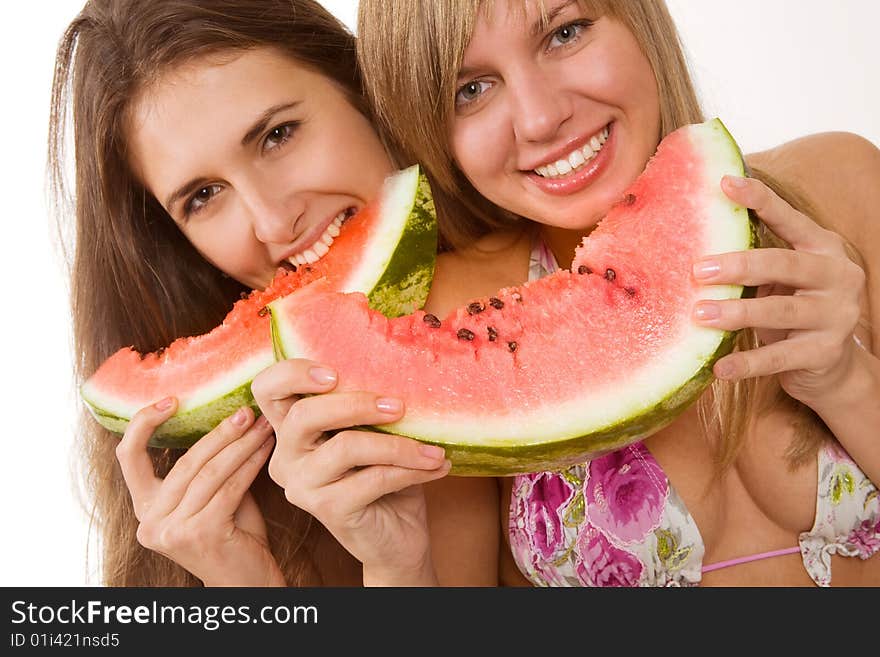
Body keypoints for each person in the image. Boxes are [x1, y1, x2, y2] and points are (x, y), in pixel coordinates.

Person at [355, 0, 880, 585]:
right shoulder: (447, 315)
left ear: (640, 20)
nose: (538, 119)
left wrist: (847, 384)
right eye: (471, 89)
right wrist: (393, 564)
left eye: (564, 33)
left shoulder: (841, 186)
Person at [49, 0, 497, 587]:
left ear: (361, 88)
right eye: (204, 196)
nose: (272, 223)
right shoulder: (239, 501)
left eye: (277, 135)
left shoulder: (548, 248)